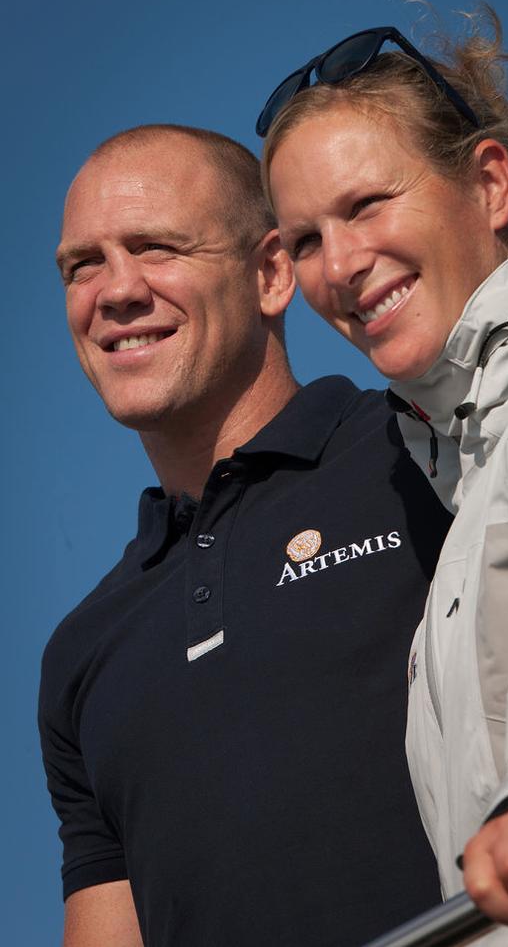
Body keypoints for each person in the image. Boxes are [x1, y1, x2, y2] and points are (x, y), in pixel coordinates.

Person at [260, 9, 508, 945]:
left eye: (365, 206)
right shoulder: (457, 469)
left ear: (487, 184)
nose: (343, 267)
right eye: (307, 240)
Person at [39, 123, 454, 947]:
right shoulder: (81, 653)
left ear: (270, 274)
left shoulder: (429, 448)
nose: (115, 291)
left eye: (156, 248)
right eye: (83, 264)